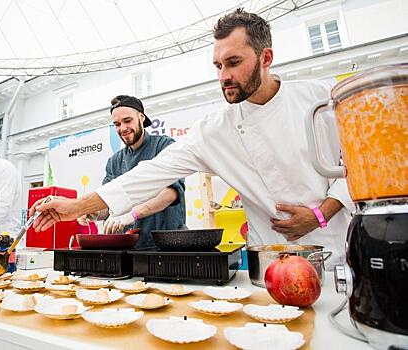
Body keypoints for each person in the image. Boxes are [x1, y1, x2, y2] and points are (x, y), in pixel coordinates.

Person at [29, 9, 352, 268]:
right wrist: (75, 207)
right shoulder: (214, 130)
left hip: (332, 253)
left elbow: (364, 170)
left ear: (266, 58)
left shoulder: (321, 99)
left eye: (234, 63)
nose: (224, 76)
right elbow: (146, 176)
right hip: (266, 263)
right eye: (218, 65)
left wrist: (320, 213)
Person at [77, 95, 186, 250]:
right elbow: (107, 205)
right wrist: (93, 213)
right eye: (117, 124)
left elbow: (172, 193)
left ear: (141, 117)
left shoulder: (163, 145)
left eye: (128, 121)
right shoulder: (114, 162)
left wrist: (133, 214)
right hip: (128, 248)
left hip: (165, 246)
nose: (122, 128)